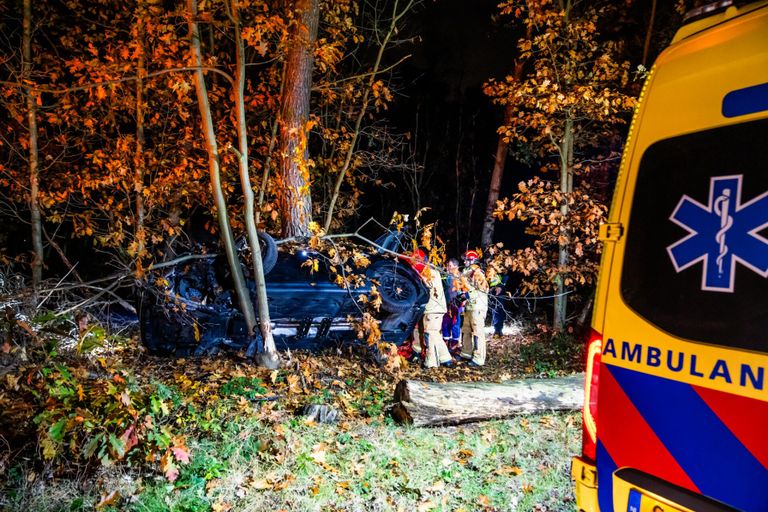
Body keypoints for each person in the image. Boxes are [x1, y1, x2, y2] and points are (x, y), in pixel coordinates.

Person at [406, 250, 453, 368]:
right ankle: (446, 358)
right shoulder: (430, 271)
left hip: (434, 308)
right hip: (432, 308)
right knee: (434, 334)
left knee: (430, 334)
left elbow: (424, 289)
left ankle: (431, 362)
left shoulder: (429, 272)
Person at [460, 249, 489, 366]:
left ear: (472, 260)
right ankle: (466, 353)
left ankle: (479, 358)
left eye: (467, 260)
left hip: (478, 306)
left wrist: (468, 294)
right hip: (469, 306)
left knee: (478, 333)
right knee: (466, 330)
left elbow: (483, 289)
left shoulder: (478, 273)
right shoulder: (466, 272)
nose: (465, 262)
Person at [441, 258, 464, 356]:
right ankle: (445, 345)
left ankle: (454, 347)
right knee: (445, 324)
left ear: (456, 267)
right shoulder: (445, 276)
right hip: (446, 304)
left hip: (456, 305)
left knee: (455, 325)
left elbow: (464, 291)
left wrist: (462, 304)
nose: (448, 268)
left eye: (450, 266)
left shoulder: (460, 277)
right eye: (447, 266)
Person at [487, 266, 507, 336]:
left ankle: (499, 330)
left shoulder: (500, 272)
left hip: (500, 294)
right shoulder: (488, 273)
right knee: (494, 311)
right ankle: (496, 329)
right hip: (492, 293)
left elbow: (506, 277)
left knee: (500, 310)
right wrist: (490, 288)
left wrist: (500, 286)